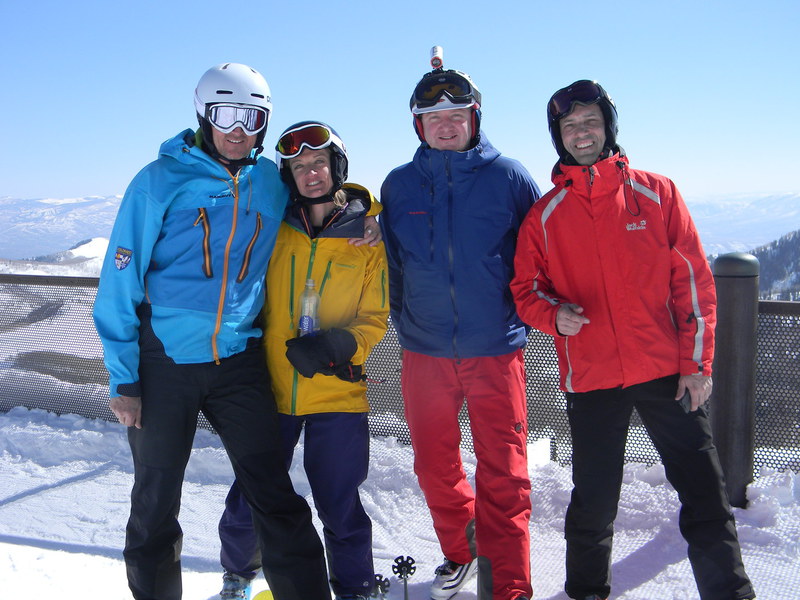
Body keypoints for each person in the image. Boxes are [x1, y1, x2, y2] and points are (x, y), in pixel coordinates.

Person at [92, 63, 333, 600]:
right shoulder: (159, 180)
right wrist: (123, 378)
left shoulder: (270, 182)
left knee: (274, 492)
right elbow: (119, 282)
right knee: (155, 500)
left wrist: (358, 211)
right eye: (225, 115)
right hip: (164, 364)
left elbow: (322, 199)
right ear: (204, 115)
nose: (238, 129)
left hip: (238, 360)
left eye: (252, 117)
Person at [510, 80, 756, 600]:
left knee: (705, 494)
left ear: (609, 127)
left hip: (668, 372)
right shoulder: (545, 215)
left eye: (590, 122)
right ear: (558, 136)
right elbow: (525, 290)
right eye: (570, 126)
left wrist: (697, 365)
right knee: (594, 500)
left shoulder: (656, 193)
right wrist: (554, 315)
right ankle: (586, 592)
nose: (581, 133)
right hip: (592, 376)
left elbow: (693, 283)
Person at [379, 49, 541, 600]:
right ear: (418, 126)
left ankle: (509, 587)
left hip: (494, 350)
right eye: (433, 118)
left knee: (504, 472)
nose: (445, 126)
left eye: (456, 116)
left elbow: (540, 252)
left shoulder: (508, 177)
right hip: (424, 351)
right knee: (433, 465)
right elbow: (393, 264)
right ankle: (465, 550)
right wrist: (407, 322)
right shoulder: (399, 185)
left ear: (475, 118)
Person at [216, 121, 389, 600]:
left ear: (337, 167)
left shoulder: (367, 238)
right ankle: (238, 574)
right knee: (251, 494)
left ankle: (354, 587)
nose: (310, 173)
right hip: (271, 387)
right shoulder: (273, 227)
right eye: (298, 167)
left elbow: (375, 316)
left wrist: (338, 345)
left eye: (318, 163)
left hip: (337, 388)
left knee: (338, 499)